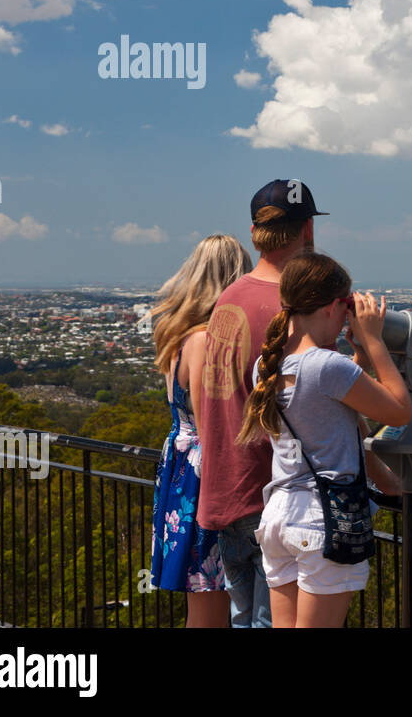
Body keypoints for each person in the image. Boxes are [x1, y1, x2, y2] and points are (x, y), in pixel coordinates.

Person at [236, 252, 411, 628]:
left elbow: (324, 402)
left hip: (279, 518)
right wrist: (375, 341)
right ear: (334, 306)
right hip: (323, 523)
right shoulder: (327, 366)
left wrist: (358, 356)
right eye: (347, 306)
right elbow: (400, 410)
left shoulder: (267, 366)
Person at [195, 179, 327, 628]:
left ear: (255, 233)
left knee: (243, 621)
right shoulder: (292, 306)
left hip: (225, 490)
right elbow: (313, 406)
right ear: (307, 230)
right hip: (272, 498)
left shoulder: (229, 298)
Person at [148, 234, 252, 627]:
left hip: (181, 474)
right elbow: (216, 430)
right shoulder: (206, 341)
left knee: (204, 607)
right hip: (208, 481)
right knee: (213, 606)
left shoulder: (176, 338)